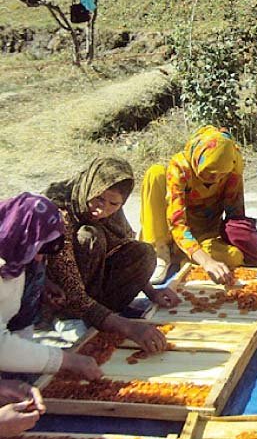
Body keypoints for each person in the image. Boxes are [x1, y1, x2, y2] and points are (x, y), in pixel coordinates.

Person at [45, 158, 178, 354]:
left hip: (91, 284)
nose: (102, 210)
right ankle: (70, 317)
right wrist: (129, 328)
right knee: (89, 236)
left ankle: (102, 313)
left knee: (143, 252)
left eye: (113, 204)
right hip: (59, 292)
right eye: (98, 198)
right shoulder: (59, 211)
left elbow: (124, 244)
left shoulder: (111, 208)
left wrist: (152, 292)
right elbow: (68, 282)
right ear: (91, 186)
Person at [140, 126, 257, 285]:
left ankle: (185, 256)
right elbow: (177, 222)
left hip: (205, 233)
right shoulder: (180, 168)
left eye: (222, 174)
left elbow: (235, 215)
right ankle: (161, 252)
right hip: (172, 229)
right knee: (156, 173)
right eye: (211, 172)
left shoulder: (232, 168)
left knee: (235, 256)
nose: (216, 178)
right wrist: (206, 261)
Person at [0, 193, 102, 385]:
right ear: (21, 236)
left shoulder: (13, 252)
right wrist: (66, 360)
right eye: (38, 250)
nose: (39, 260)